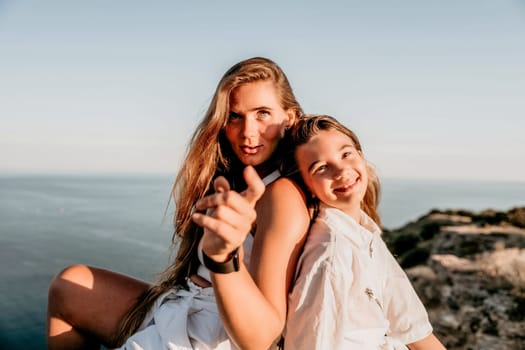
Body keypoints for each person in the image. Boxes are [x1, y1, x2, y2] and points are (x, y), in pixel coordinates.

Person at [46, 57, 310, 349]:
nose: (248, 131)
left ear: (290, 118)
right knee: (69, 286)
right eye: (235, 116)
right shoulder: (236, 179)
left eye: (262, 113)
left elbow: (264, 338)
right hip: (182, 305)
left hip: (212, 332)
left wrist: (222, 257)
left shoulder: (281, 195)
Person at [283, 115, 446, 349]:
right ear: (306, 186)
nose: (340, 171)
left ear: (361, 155)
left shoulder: (365, 233)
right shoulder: (331, 256)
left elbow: (415, 331)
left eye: (346, 154)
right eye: (321, 168)